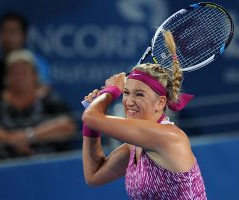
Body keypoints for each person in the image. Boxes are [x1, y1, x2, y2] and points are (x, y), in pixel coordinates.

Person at [81, 31, 207, 199]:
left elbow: (91, 118)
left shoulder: (167, 137)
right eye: (126, 92)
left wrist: (111, 92)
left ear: (160, 103)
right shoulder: (134, 146)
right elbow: (94, 176)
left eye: (139, 94)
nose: (129, 101)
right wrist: (93, 115)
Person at [0, 49, 76, 160]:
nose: (19, 78)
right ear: (6, 77)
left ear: (35, 76)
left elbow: (67, 126)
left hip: (44, 166)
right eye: (14, 73)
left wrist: (29, 136)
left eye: (24, 73)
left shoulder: (50, 101)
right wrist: (10, 139)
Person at [0, 11, 51, 84]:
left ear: (24, 36)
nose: (8, 37)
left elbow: (43, 89)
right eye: (5, 31)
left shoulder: (36, 63)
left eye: (13, 32)